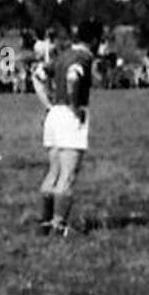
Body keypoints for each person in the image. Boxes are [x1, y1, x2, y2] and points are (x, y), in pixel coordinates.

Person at [37, 20, 99, 236]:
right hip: (70, 115)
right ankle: (59, 225)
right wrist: (75, 107)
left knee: (53, 172)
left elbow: (38, 76)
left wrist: (47, 104)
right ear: (94, 40)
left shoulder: (61, 55)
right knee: (68, 175)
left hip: (54, 114)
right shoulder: (83, 57)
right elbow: (74, 77)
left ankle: (44, 223)